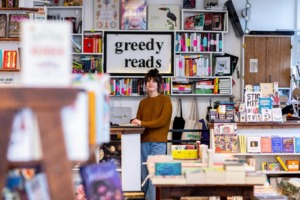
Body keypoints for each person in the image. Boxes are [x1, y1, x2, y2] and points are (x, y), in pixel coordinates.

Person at [131, 69, 172, 200]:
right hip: (143, 142)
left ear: (159, 84)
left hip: (158, 143)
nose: (151, 83)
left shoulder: (165, 100)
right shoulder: (143, 102)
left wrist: (142, 122)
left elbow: (162, 121)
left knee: (154, 178)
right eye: (148, 81)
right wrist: (134, 122)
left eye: (154, 81)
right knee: (144, 177)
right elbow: (139, 122)